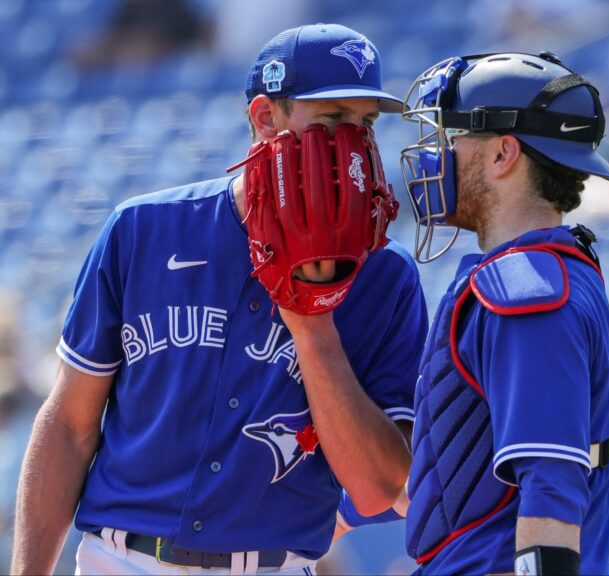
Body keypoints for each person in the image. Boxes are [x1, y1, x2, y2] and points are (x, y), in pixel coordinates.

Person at [12, 23, 428, 576]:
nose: (353, 145)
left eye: (365, 124)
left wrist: (312, 323)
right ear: (264, 118)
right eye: (332, 120)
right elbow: (68, 425)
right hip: (123, 560)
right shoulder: (144, 229)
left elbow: (380, 487)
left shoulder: (385, 274)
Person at [399, 52, 609, 575]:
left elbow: (551, 482)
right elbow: (455, 472)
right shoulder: (539, 271)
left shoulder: (529, 290)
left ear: (504, 153)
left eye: (452, 137)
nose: (437, 155)